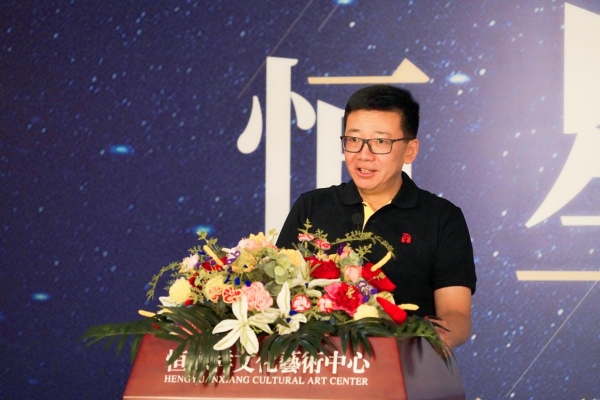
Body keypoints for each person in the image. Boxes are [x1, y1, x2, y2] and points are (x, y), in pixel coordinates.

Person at [276, 85, 476, 348]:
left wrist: (428, 339)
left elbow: (456, 313)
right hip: (318, 365)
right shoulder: (312, 207)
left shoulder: (442, 218)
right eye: (354, 139)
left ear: (410, 150)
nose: (364, 155)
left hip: (403, 365)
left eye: (381, 142)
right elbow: (277, 292)